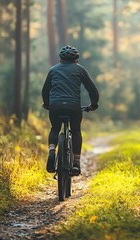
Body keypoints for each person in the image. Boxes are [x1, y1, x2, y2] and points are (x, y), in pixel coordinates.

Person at [42, 45, 99, 176]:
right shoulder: (80, 70)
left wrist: (47, 104)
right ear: (76, 60)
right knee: (76, 130)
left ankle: (52, 151)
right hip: (74, 106)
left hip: (55, 106)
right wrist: (93, 104)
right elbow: (92, 89)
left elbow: (45, 90)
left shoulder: (53, 70)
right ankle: (76, 163)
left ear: (61, 59)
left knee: (55, 129)